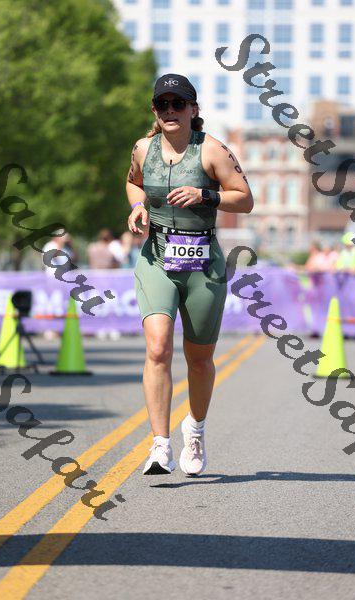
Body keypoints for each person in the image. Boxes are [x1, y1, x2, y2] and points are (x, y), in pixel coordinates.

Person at [126, 73, 253, 476]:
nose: (170, 111)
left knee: (199, 360)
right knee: (158, 347)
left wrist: (205, 194)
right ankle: (159, 445)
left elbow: (245, 200)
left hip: (202, 264)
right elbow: (133, 183)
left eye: (178, 104)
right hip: (157, 258)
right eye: (162, 104)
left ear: (193, 109)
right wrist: (138, 206)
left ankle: (194, 430)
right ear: (154, 110)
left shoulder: (212, 150)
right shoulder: (143, 148)